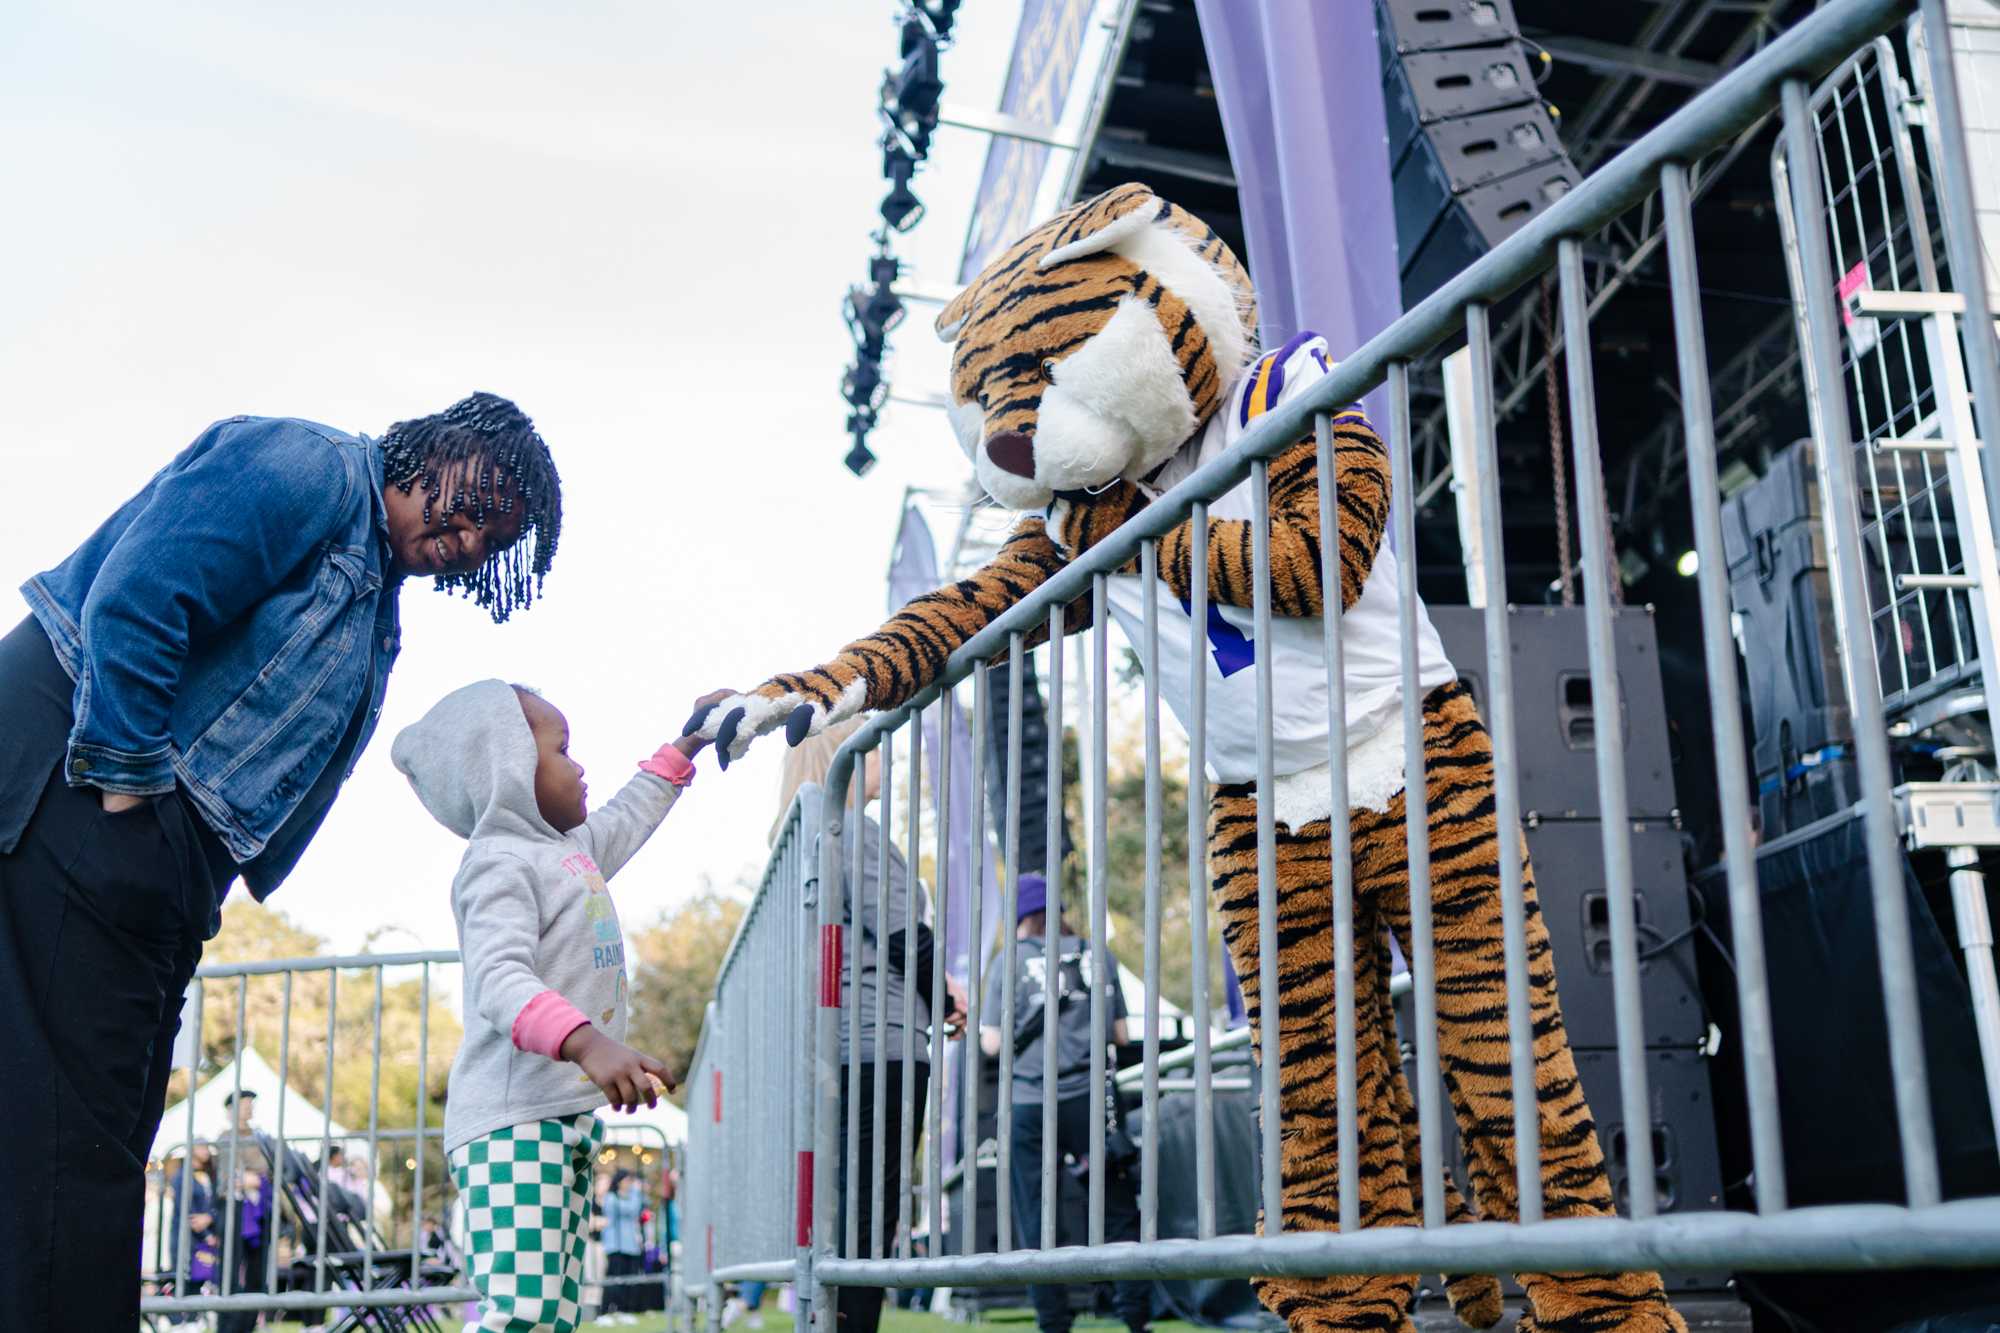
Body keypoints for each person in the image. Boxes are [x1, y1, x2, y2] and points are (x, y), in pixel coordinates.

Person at [0, 392, 564, 1331]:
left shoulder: (377, 591)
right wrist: (129, 804)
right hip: (79, 782)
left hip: (141, 837)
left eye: (493, 536)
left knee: (80, 1134)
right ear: (437, 448)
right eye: (473, 501)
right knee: (75, 1140)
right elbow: (137, 600)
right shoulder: (306, 468)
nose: (469, 537)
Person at [392, 678, 728, 1333]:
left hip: (563, 1119)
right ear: (510, 768)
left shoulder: (569, 851)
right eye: (562, 748)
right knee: (524, 1314)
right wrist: (588, 1041)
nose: (579, 765)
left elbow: (629, 813)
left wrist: (688, 742)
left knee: (558, 1316)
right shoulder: (498, 862)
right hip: (509, 1122)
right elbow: (498, 978)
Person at [769, 718, 966, 1333]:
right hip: (882, 1041)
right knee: (872, 1214)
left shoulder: (794, 842)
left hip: (834, 1048)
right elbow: (906, 932)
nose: (886, 764)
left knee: (846, 1211)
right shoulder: (851, 829)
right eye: (877, 753)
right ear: (846, 758)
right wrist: (947, 1000)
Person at [980, 874, 1150, 1333]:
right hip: (1090, 1099)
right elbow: (1121, 1036)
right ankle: (1135, 1314)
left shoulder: (1007, 962)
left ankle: (1053, 1320)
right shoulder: (1098, 955)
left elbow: (993, 1044)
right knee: (1115, 1206)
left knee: (1036, 1213)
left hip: (1029, 1102)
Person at [216, 1090, 278, 1333]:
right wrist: (251, 1177)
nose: (249, 1109)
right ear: (232, 1110)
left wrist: (255, 1178)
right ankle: (228, 1326)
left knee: (256, 1274)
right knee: (230, 1274)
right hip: (236, 1207)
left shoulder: (259, 1136)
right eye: (244, 1105)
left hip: (259, 1210)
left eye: (250, 1104)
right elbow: (229, 1176)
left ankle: (246, 1326)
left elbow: (268, 1169)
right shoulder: (225, 1137)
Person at [164, 1140, 220, 1315]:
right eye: (201, 1147)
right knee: (184, 1278)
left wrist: (210, 1220)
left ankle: (193, 1319)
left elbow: (214, 1206)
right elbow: (186, 1210)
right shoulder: (182, 1177)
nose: (206, 1151)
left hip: (201, 1236)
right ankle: (180, 1319)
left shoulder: (207, 1175)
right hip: (187, 1237)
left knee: (199, 1278)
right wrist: (205, 1232)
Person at [595, 1169, 645, 1325]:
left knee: (628, 1279)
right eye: (626, 1180)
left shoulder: (632, 1196)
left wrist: (636, 1192)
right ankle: (605, 1311)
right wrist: (636, 1192)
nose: (628, 1183)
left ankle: (624, 1309)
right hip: (615, 1245)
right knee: (612, 1278)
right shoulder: (611, 1198)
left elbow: (635, 1210)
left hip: (630, 1244)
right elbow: (626, 1210)